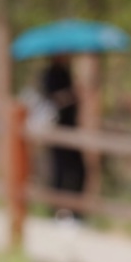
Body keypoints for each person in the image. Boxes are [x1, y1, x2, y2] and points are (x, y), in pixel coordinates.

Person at [38, 54, 86, 219]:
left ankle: (75, 210)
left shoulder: (67, 73)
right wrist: (71, 94)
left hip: (70, 128)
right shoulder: (49, 74)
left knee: (79, 170)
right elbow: (51, 100)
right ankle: (56, 209)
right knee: (59, 170)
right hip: (57, 129)